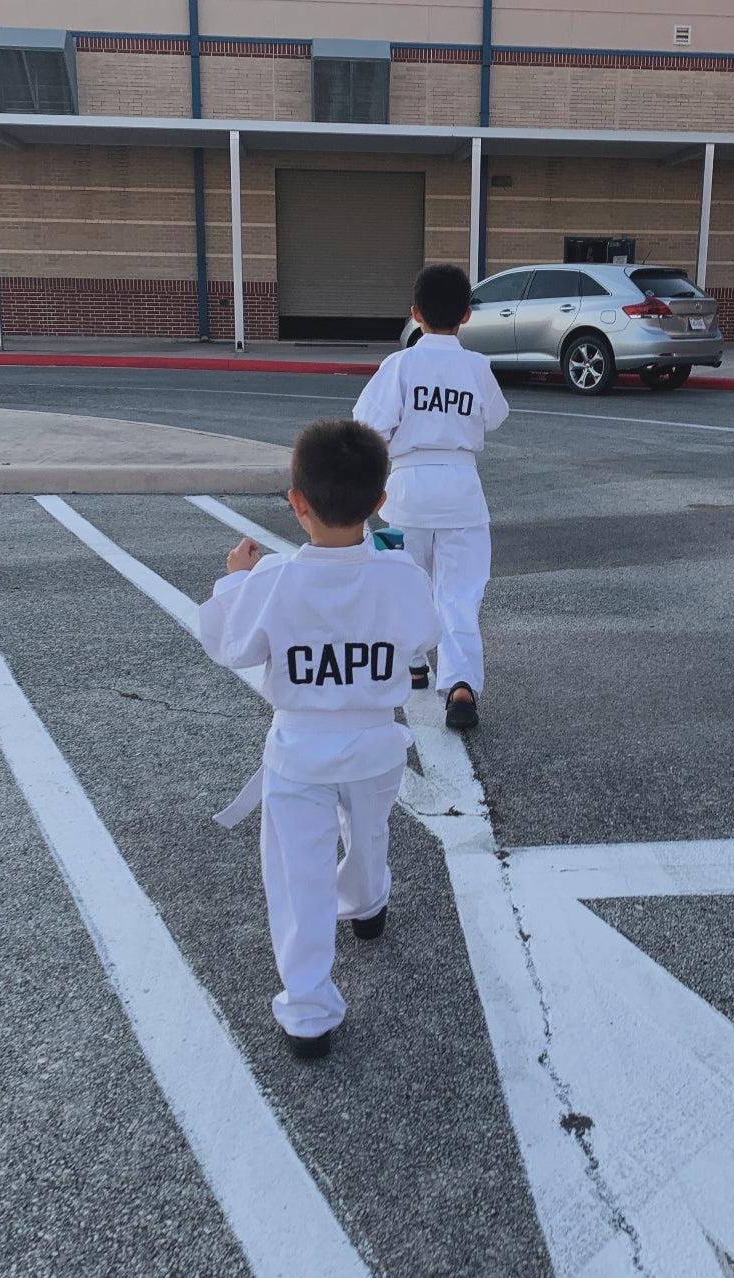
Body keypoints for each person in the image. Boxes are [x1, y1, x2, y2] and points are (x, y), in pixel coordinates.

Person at [199, 419, 440, 1060]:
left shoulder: (273, 581)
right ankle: (366, 903)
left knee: (297, 878)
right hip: (374, 746)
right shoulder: (401, 576)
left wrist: (232, 580)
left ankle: (308, 1010)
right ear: (380, 501)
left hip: (299, 752)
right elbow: (424, 636)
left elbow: (227, 644)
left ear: (296, 503)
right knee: (369, 834)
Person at [353, 262, 509, 730]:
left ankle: (415, 662)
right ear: (466, 315)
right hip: (461, 490)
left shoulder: (399, 366)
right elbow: (495, 417)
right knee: (459, 594)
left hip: (406, 492)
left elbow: (366, 426)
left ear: (415, 313)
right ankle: (461, 687)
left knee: (408, 584)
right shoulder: (477, 367)